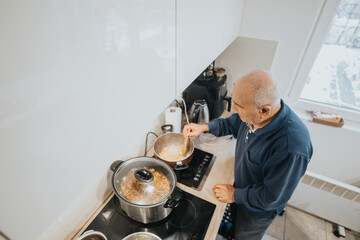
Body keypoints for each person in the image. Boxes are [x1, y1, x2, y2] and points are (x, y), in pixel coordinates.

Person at [183, 70, 313, 240]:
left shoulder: (291, 148)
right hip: (242, 188)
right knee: (235, 225)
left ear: (264, 110)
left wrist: (234, 194)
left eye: (239, 106)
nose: (234, 109)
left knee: (244, 235)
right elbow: (233, 123)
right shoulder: (256, 117)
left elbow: (271, 197)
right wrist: (205, 127)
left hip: (257, 211)